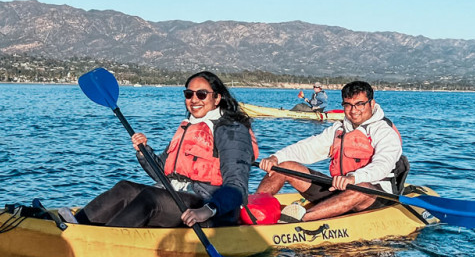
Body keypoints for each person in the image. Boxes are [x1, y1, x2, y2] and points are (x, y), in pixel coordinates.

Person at [72, 71, 257, 228]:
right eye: (189, 94)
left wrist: (207, 210)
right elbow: (161, 172)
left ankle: (103, 239)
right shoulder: (189, 126)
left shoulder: (231, 129)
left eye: (201, 94)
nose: (194, 100)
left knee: (151, 197)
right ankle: (75, 225)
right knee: (125, 188)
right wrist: (144, 152)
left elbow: (237, 186)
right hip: (177, 195)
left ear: (217, 98)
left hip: (211, 208)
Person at [255, 80, 406, 222]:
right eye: (348, 105)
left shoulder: (385, 132)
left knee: (360, 188)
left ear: (371, 104)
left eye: (360, 104)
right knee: (284, 166)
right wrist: (275, 158)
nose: (354, 111)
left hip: (374, 196)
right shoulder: (339, 129)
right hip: (339, 189)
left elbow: (383, 165)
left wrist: (353, 178)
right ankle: (254, 209)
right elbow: (309, 147)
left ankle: (300, 221)